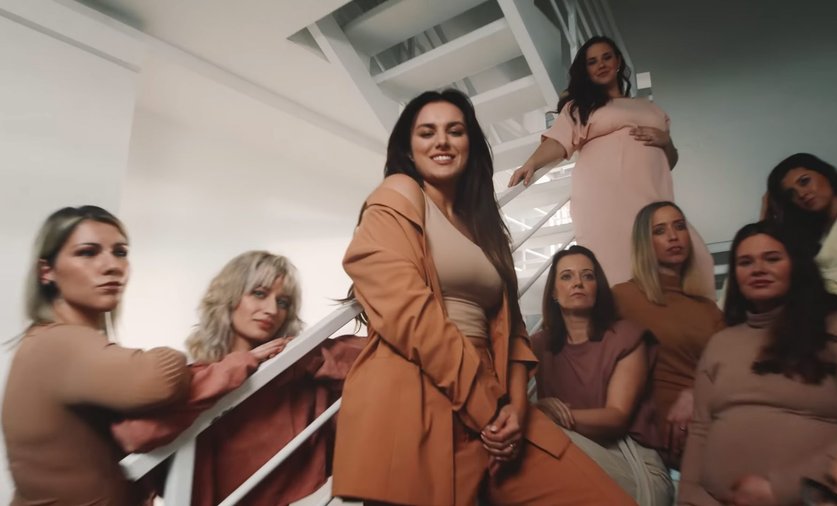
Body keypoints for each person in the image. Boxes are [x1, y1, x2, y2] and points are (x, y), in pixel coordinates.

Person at [332, 89, 634, 505]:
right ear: (408, 147)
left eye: (455, 131)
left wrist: (515, 406)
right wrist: (488, 406)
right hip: (414, 386)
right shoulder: (398, 193)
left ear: (470, 144)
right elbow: (408, 314)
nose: (442, 141)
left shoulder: (484, 226)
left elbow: (515, 334)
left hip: (494, 394)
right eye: (427, 132)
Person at [112, 251, 364, 506]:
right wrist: (242, 363)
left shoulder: (299, 375)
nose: (272, 310)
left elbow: (373, 361)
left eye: (283, 302)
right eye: (259, 293)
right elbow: (135, 433)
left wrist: (305, 353)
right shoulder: (199, 376)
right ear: (229, 297)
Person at [2, 205, 190, 505]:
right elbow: (161, 377)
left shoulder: (46, 339)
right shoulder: (59, 343)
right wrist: (182, 359)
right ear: (47, 272)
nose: (112, 265)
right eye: (88, 252)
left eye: (120, 252)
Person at [508, 35, 715, 296]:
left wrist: (667, 142)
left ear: (618, 61)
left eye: (607, 57)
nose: (601, 65)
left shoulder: (650, 108)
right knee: (613, 267)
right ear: (586, 70)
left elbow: (668, 162)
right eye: (592, 62)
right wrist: (531, 163)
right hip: (603, 201)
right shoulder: (580, 108)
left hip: (651, 196)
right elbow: (558, 142)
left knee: (692, 262)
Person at [679, 221, 837, 505]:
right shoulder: (720, 343)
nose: (758, 269)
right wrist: (689, 498)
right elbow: (701, 430)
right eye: (745, 262)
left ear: (797, 265)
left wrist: (784, 488)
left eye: (772, 258)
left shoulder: (833, 327)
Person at [532, 245, 673, 504]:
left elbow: (616, 417)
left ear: (598, 288)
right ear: (553, 292)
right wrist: (539, 410)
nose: (578, 283)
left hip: (633, 464)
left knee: (538, 434)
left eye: (587, 276)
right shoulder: (539, 345)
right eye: (567, 276)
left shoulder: (626, 336)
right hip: (572, 460)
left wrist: (550, 415)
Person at [612, 201, 723, 468]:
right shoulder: (623, 297)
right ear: (645, 242)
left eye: (679, 226)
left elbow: (733, 370)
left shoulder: (708, 309)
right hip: (653, 441)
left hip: (714, 422)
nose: (673, 236)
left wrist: (696, 393)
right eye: (660, 230)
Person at [766, 153, 837, 294]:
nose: (801, 194)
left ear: (825, 174)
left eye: (804, 181)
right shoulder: (811, 237)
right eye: (791, 194)